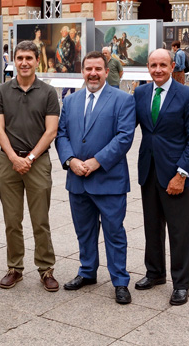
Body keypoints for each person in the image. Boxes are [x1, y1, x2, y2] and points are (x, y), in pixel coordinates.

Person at [55, 51, 136, 304]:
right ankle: (87, 271)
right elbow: (62, 135)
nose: (93, 73)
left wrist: (96, 161)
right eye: (88, 69)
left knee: (114, 232)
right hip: (77, 180)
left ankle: (120, 281)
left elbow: (124, 137)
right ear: (83, 71)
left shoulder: (123, 100)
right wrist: (71, 161)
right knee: (84, 231)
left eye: (98, 69)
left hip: (109, 180)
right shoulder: (71, 101)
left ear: (106, 71)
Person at [133, 48, 189, 306]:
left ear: (172, 66)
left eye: (163, 65)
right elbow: (126, 127)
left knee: (179, 231)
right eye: (153, 65)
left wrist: (182, 173)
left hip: (177, 174)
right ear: (148, 67)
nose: (158, 70)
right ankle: (155, 273)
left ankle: (181, 284)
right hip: (149, 171)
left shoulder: (187, 95)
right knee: (152, 227)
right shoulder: (140, 93)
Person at [0, 40, 60, 292]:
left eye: (29, 58)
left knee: (40, 219)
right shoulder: (1, 92)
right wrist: (13, 157)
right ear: (14, 61)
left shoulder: (48, 92)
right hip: (8, 162)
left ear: (36, 61)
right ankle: (15, 268)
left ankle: (46, 269)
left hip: (38, 162)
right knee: (12, 219)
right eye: (19, 58)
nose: (23, 63)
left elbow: (51, 130)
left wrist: (29, 158)